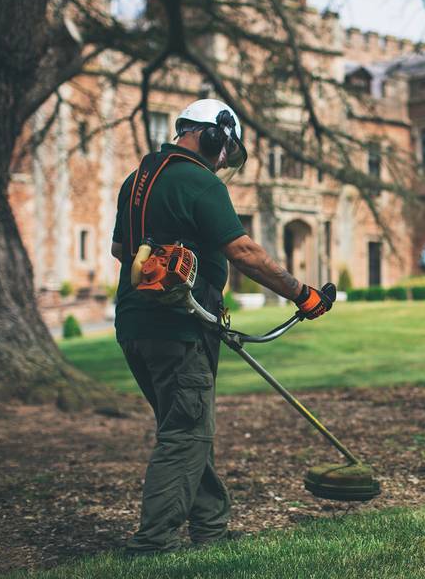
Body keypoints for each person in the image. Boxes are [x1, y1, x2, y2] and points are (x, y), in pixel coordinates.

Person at [110, 98, 332, 553]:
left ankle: (210, 528)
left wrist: (181, 271)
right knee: (187, 432)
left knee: (187, 427)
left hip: (136, 326)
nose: (224, 158)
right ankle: (153, 543)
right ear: (211, 135)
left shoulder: (137, 181)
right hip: (177, 328)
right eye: (224, 146)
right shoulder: (198, 180)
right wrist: (301, 294)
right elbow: (245, 252)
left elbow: (121, 250)